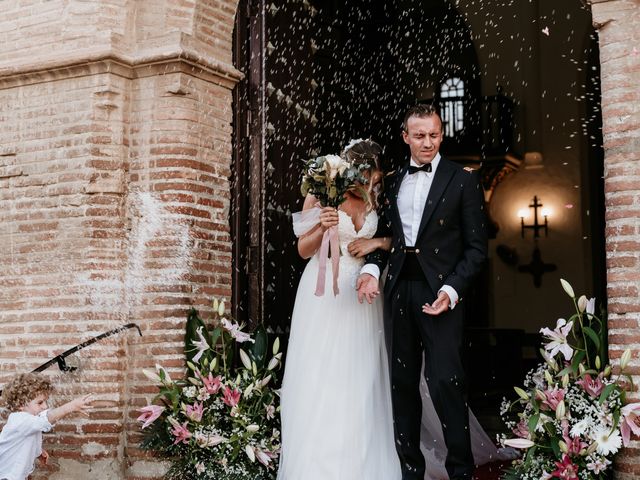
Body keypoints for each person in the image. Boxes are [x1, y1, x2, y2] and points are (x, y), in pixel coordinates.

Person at [357, 104, 488, 480]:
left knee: (447, 381)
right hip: (400, 291)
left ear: (441, 133)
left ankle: (460, 472)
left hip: (441, 294)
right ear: (405, 137)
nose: (427, 142)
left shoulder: (462, 181)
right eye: (419, 136)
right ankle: (410, 472)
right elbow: (388, 240)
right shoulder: (395, 181)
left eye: (433, 134)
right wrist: (369, 271)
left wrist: (452, 289)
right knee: (402, 384)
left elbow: (477, 248)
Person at [277, 140, 402, 480]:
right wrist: (323, 225)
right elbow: (303, 250)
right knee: (323, 374)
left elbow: (399, 239)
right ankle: (320, 465)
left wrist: (375, 243)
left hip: (363, 295)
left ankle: (363, 462)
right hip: (325, 293)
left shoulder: (378, 197)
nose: (373, 186)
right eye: (369, 179)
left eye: (377, 181)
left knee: (362, 376)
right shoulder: (322, 192)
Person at [0, 373, 93, 480]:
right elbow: (45, 420)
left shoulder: (29, 420)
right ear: (21, 404)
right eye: (40, 403)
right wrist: (71, 406)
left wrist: (38, 452)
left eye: (45, 401)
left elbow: (27, 438)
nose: (45, 406)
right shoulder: (19, 419)